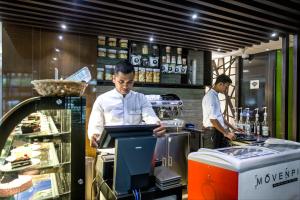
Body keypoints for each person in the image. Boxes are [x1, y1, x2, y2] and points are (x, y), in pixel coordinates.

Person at [88, 61, 166, 148]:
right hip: (110, 149)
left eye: (130, 82)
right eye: (121, 82)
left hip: (135, 146)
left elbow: (150, 117)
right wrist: (94, 136)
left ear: (134, 80)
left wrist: (157, 126)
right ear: (114, 79)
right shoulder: (102, 99)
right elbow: (95, 125)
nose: (125, 86)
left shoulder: (141, 98)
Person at [202, 74, 242, 148]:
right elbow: (213, 120)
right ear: (220, 84)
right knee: (213, 158)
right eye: (226, 87)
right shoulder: (211, 97)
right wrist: (226, 133)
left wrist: (233, 128)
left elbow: (220, 117)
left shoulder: (215, 95)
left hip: (217, 131)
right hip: (212, 132)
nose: (226, 89)